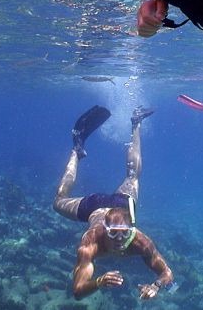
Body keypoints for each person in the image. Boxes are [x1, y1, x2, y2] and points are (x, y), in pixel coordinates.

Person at [53, 105, 174, 301]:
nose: (119, 239)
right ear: (104, 229)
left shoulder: (141, 242)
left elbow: (167, 273)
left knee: (134, 175)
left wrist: (156, 286)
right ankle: (77, 150)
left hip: (122, 204)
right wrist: (98, 282)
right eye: (113, 233)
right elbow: (77, 291)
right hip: (95, 206)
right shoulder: (90, 243)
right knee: (58, 201)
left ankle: (136, 123)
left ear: (131, 230)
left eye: (124, 233)